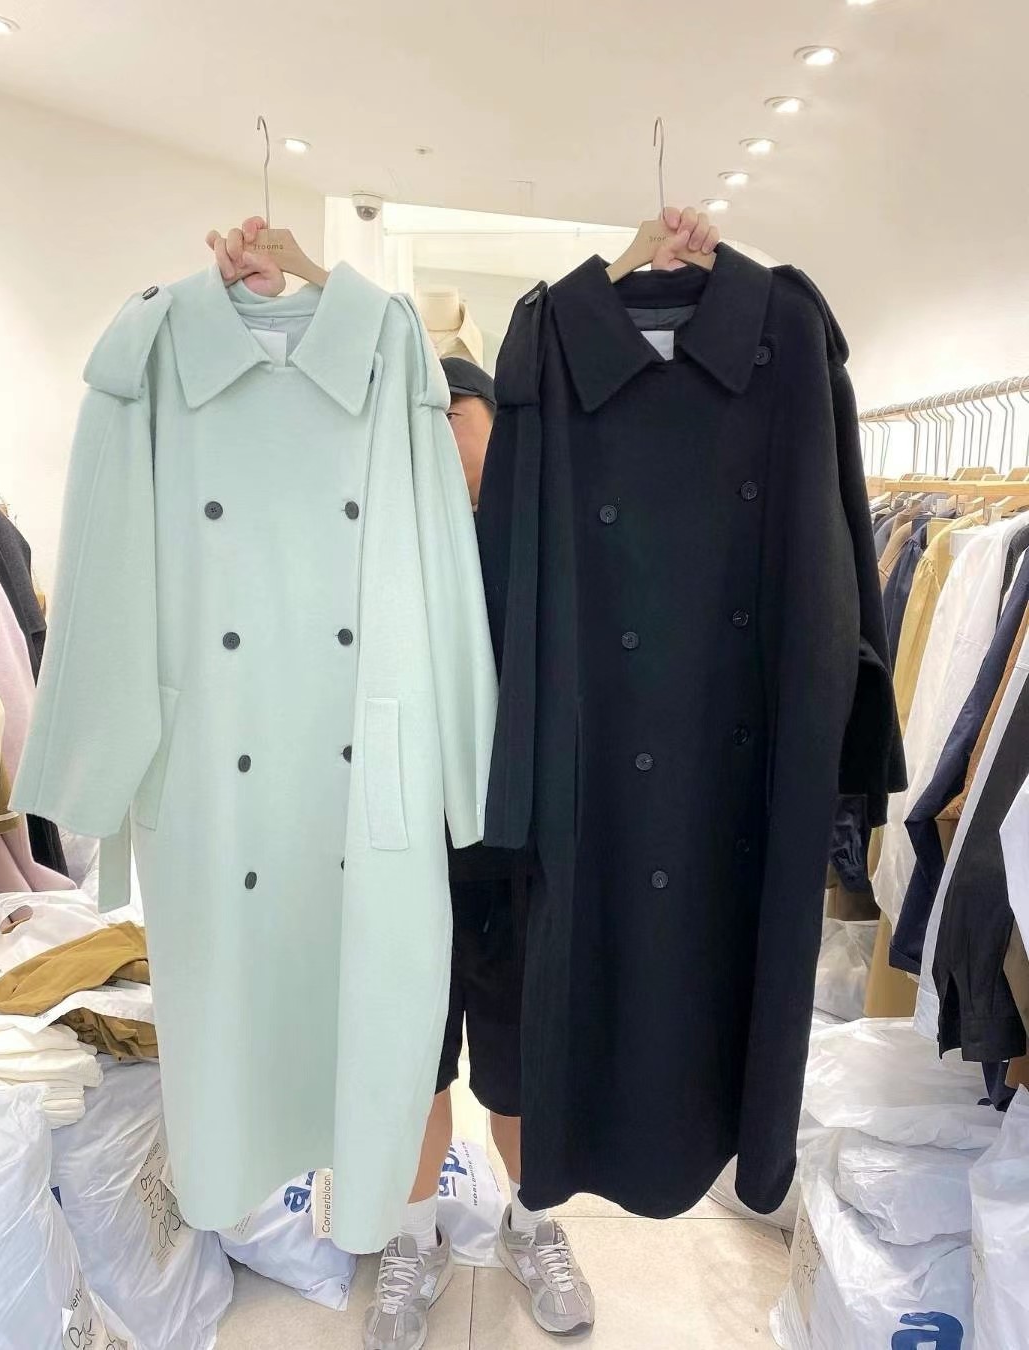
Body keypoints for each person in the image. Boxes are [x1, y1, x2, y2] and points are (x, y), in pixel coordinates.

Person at [206, 205, 722, 1347]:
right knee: (407, 1049)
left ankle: (534, 1223)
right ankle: (413, 1237)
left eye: (464, 426)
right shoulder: (377, 527)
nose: (447, 450)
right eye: (430, 430)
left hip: (519, 834)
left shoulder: (542, 531)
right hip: (395, 830)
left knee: (525, 1055)